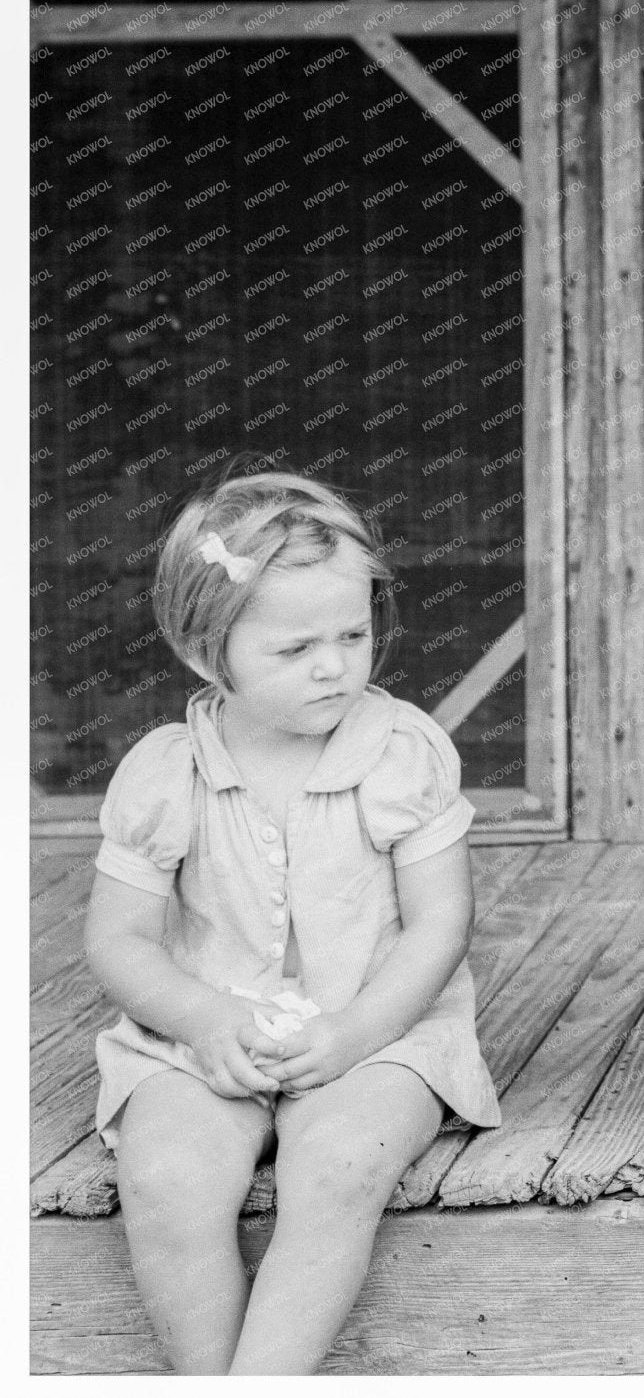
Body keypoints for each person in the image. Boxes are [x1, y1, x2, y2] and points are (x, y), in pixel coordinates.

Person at [84, 473, 500, 1374]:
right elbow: (118, 940)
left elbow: (441, 923)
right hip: (201, 1036)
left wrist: (356, 1031)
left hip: (379, 1026)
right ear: (207, 654)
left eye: (354, 635)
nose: (334, 664)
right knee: (168, 1177)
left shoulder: (399, 753)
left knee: (342, 1160)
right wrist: (202, 1018)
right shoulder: (166, 772)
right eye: (295, 646)